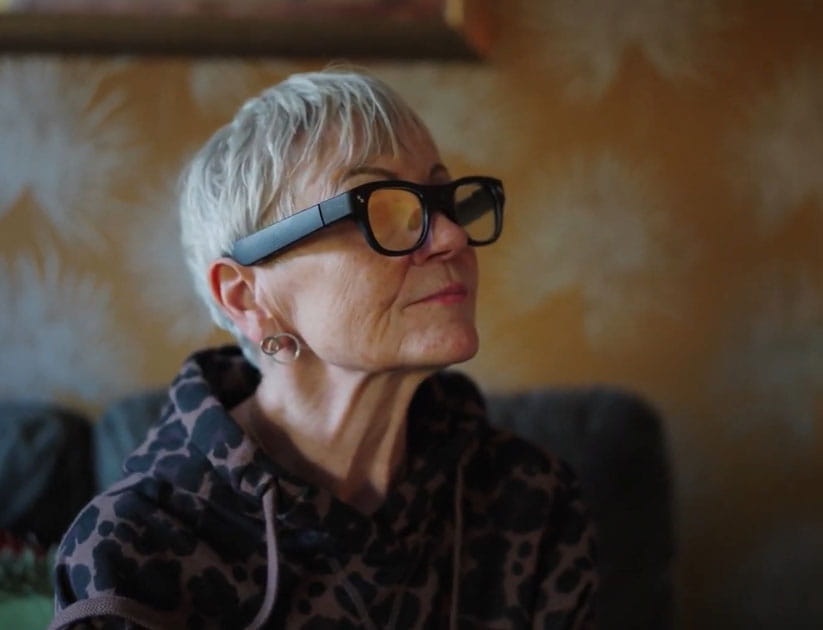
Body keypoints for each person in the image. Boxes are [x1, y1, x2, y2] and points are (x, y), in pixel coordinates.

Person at [50, 69, 597, 629]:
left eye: (442, 199)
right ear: (246, 295)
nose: (452, 237)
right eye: (379, 208)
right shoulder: (135, 553)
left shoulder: (528, 503)